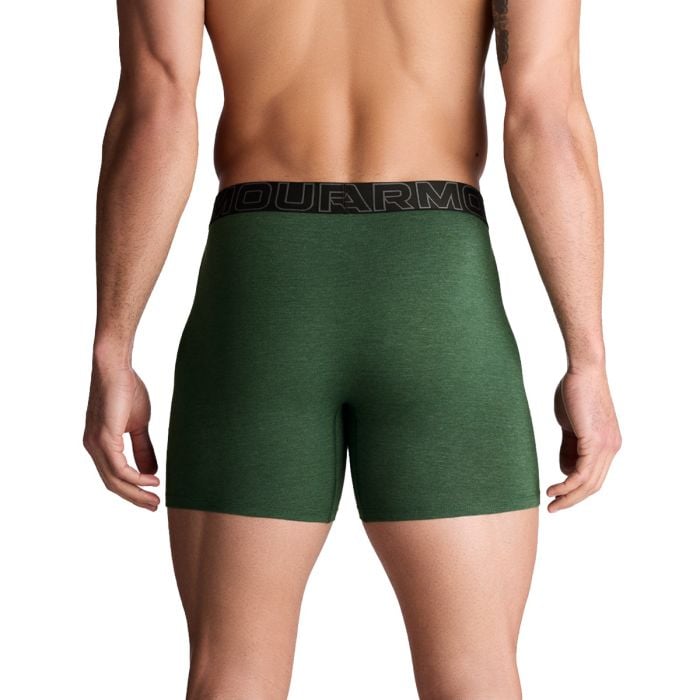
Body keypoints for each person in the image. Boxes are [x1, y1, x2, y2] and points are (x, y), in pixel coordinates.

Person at [82, 1, 622, 698]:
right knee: (476, 674)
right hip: (436, 293)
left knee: (232, 676)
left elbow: (156, 106)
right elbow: (547, 118)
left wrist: (113, 345)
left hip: (261, 292)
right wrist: (587, 359)